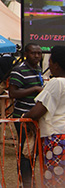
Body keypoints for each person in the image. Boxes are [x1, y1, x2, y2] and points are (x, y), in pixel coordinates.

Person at [25, 45, 65, 187]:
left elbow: (37, 112)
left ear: (55, 64)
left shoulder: (56, 83)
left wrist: (26, 115)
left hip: (57, 138)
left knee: (55, 181)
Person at [9, 42, 45, 188]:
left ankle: (29, 179)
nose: (37, 56)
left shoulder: (38, 69)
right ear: (26, 54)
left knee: (34, 151)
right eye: (33, 53)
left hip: (36, 114)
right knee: (26, 151)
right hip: (23, 116)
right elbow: (13, 93)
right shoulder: (19, 70)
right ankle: (26, 182)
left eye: (39, 53)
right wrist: (34, 89)